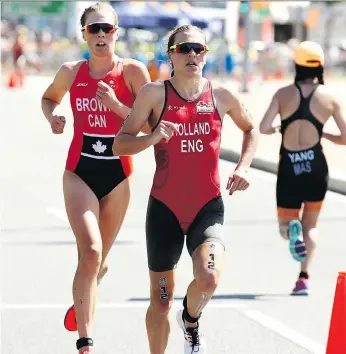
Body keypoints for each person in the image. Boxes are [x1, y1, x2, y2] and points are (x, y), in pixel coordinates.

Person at [113, 24, 259, 354]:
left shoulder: (221, 95)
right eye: (184, 49)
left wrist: (244, 166)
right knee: (160, 301)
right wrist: (151, 137)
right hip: (164, 208)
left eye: (199, 49)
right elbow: (120, 145)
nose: (192, 54)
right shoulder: (154, 94)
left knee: (209, 278)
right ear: (171, 56)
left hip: (206, 206)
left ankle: (190, 321)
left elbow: (251, 129)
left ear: (206, 55)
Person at [41, 2, 151, 353]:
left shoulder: (133, 72)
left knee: (98, 261)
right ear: (84, 33)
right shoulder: (71, 71)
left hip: (119, 174)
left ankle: (83, 295)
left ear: (117, 32)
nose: (101, 35)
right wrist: (53, 116)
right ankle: (85, 341)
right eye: (94, 29)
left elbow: (148, 127)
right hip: (80, 171)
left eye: (107, 28)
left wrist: (117, 106)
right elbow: (48, 98)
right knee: (89, 250)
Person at [259, 41, 346, 296]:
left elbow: (263, 127)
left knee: (286, 228)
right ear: (320, 66)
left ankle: (291, 231)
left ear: (297, 65)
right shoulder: (329, 98)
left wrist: (279, 129)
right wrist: (322, 133)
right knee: (312, 225)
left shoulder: (283, 94)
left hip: (289, 167)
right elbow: (345, 137)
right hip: (316, 168)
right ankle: (303, 278)